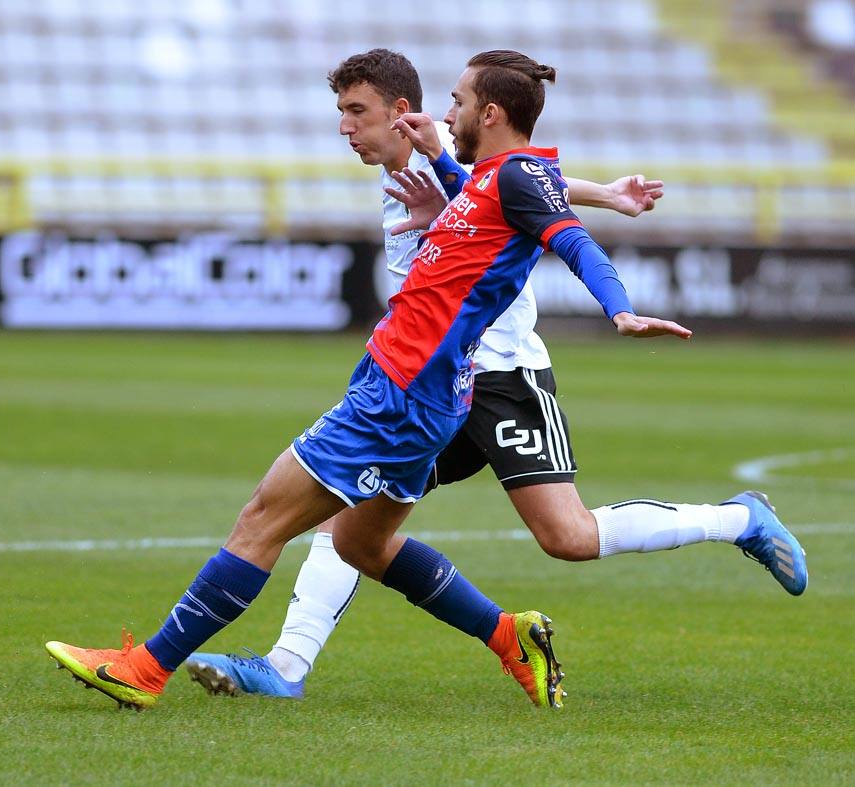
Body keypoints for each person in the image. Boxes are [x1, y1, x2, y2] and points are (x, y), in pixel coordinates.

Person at [46, 48, 708, 712]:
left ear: (488, 111)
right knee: (358, 540)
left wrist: (617, 305)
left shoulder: (496, 174)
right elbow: (501, 190)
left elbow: (567, 234)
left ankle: (146, 667)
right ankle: (509, 636)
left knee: (261, 518)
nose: (440, 115)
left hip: (405, 389)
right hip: (428, 388)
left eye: (453, 102)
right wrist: (457, 183)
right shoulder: (471, 173)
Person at [182, 49, 809, 702]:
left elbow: (531, 194)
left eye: (354, 112)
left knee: (566, 537)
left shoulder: (450, 161)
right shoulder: (428, 168)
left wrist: (614, 286)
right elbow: (508, 190)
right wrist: (606, 194)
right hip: (427, 387)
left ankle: (738, 519)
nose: (344, 127)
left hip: (503, 377)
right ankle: (287, 664)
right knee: (346, 522)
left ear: (402, 114)